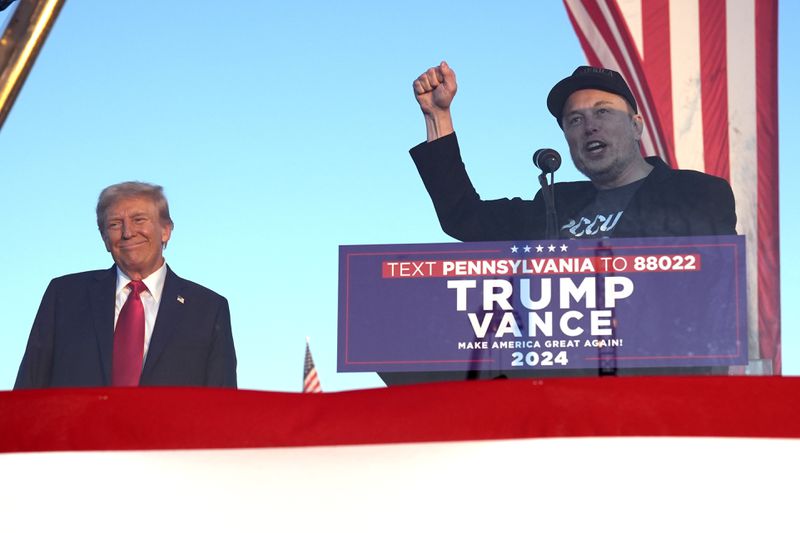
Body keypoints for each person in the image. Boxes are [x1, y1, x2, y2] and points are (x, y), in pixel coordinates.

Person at [409, 62, 736, 240]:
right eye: (574, 119)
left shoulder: (697, 193)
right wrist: (438, 117)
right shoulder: (553, 204)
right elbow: (465, 219)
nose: (589, 126)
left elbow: (718, 289)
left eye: (603, 111)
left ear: (636, 126)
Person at [15, 182, 237, 388]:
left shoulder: (208, 309)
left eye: (139, 219)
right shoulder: (64, 296)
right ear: (104, 238)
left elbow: (222, 406)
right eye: (114, 224)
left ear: (166, 230)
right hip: (79, 430)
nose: (128, 232)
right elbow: (29, 387)